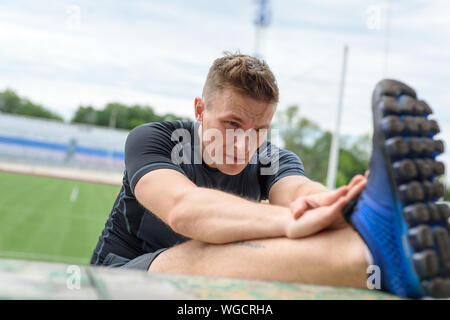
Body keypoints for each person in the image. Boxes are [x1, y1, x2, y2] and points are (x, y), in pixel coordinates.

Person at [91, 53, 449, 298]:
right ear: (200, 110)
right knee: (199, 253)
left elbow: (300, 192)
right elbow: (185, 210)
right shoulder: (154, 139)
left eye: (259, 129)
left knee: (316, 226)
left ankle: (384, 250)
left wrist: (344, 205)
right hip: (120, 281)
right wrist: (294, 221)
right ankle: (381, 257)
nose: (244, 142)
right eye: (232, 124)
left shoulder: (270, 158)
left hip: (209, 289)